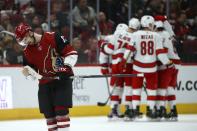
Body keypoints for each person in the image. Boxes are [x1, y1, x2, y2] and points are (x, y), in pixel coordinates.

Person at [14, 23, 78, 131]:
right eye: (22, 41)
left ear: (30, 32)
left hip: (62, 80)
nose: (25, 43)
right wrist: (28, 74)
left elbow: (71, 53)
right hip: (44, 84)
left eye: (25, 39)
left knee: (61, 110)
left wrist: (65, 68)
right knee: (49, 115)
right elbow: (33, 76)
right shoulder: (26, 52)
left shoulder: (53, 37)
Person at [120, 15, 174, 120]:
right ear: (149, 24)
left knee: (136, 90)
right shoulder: (156, 36)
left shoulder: (135, 34)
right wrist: (168, 63)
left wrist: (123, 61)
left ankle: (135, 110)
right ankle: (150, 111)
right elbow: (160, 53)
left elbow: (129, 49)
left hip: (137, 67)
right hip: (151, 68)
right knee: (151, 90)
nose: (153, 26)